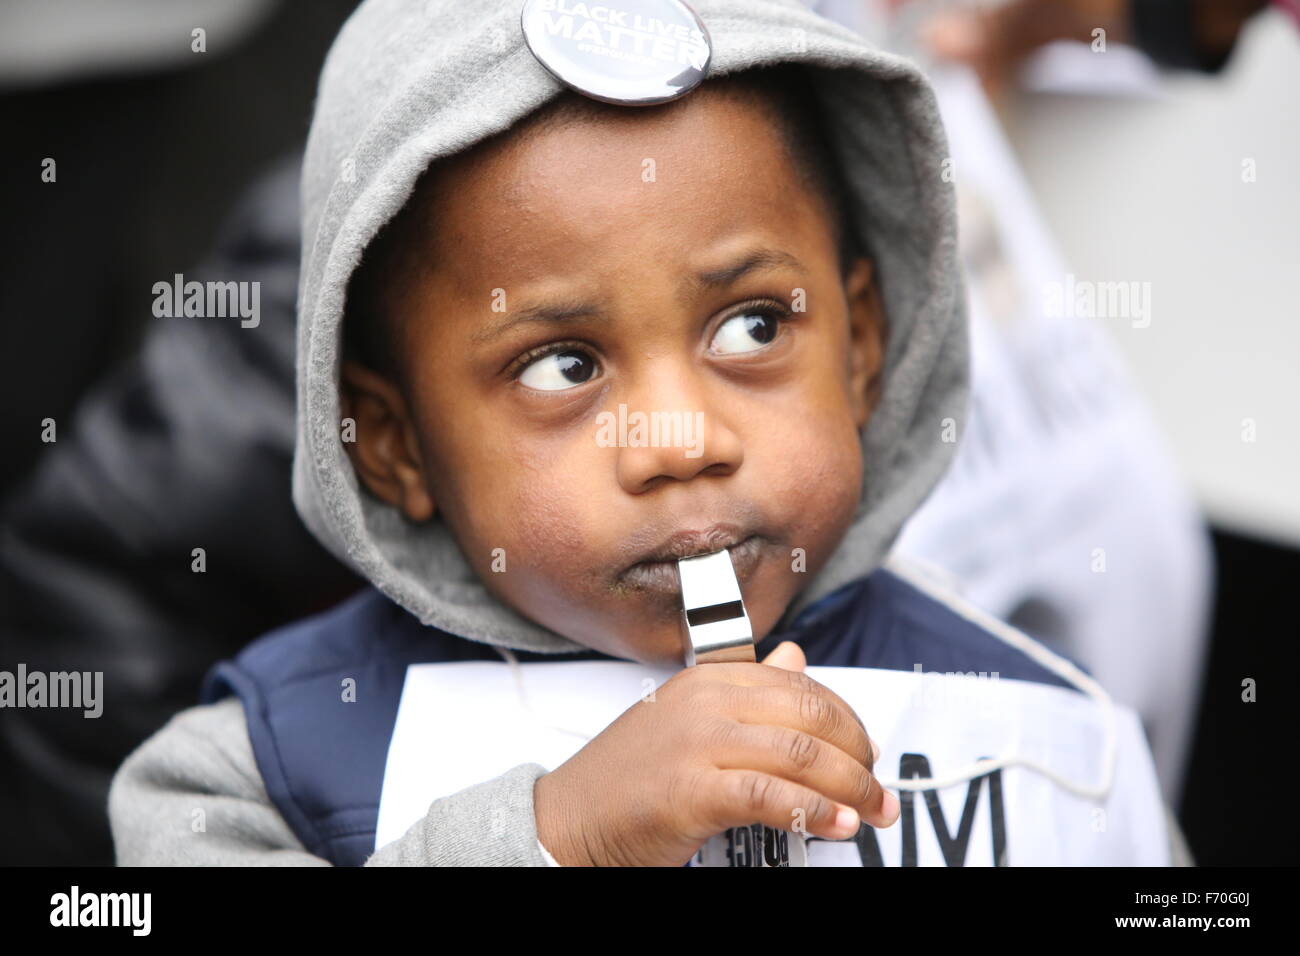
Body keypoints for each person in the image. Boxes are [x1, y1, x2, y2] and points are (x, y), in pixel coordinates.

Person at [107, 0, 1190, 866]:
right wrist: (553, 838)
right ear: (393, 444)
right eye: (563, 365)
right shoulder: (266, 764)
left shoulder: (1045, 734)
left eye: (752, 325)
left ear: (861, 344)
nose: (679, 439)